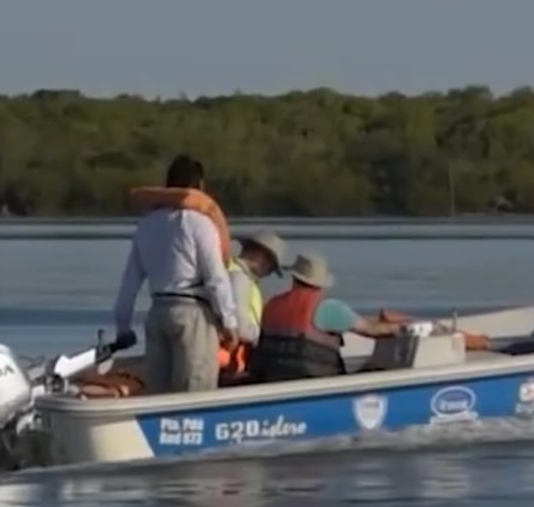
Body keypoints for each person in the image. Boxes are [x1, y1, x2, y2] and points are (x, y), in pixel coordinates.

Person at [111, 154, 244, 395]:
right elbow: (215, 277)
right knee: (195, 393)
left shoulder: (146, 225)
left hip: (158, 313)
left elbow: (129, 283)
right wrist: (230, 322)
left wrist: (123, 326)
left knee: (158, 395)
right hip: (193, 315)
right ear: (200, 187)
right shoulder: (199, 223)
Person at [248, 252, 418, 382]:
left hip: (275, 377)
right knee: (373, 369)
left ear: (294, 277)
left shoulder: (272, 305)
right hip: (314, 378)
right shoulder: (328, 307)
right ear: (321, 282)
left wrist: (378, 320)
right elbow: (371, 330)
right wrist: (403, 325)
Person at [220, 230, 294, 384]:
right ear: (261, 257)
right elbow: (241, 329)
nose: (269, 273)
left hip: (228, 358)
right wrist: (263, 337)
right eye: (271, 267)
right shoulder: (239, 278)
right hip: (230, 362)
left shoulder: (233, 272)